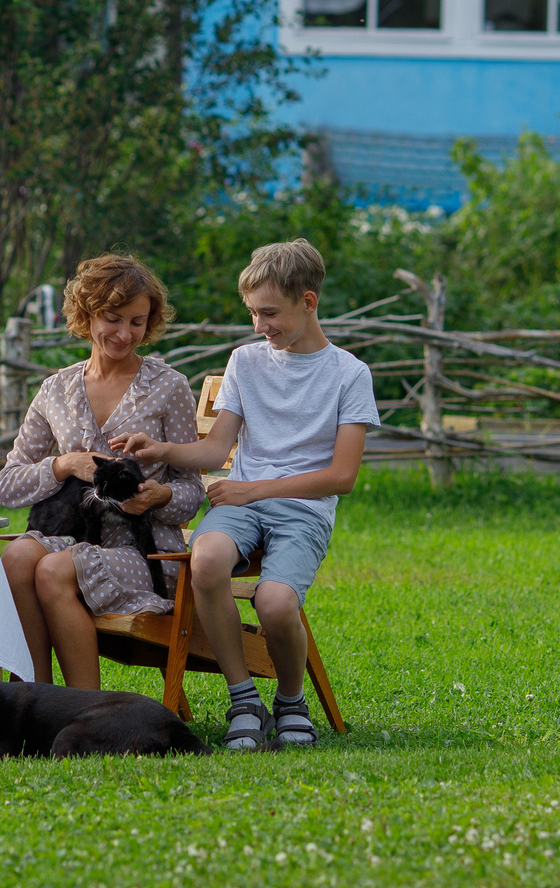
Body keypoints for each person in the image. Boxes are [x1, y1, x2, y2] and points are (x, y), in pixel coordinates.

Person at [113, 239, 375, 752]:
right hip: (240, 505)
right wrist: (160, 448)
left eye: (269, 313)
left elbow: (342, 476)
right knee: (206, 559)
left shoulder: (349, 374)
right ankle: (244, 700)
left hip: (302, 509)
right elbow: (216, 449)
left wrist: (253, 487)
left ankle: (291, 702)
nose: (259, 326)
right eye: (253, 313)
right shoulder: (246, 362)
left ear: (308, 301)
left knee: (275, 603)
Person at [0, 254, 204, 687]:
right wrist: (63, 464)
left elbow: (192, 490)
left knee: (53, 570)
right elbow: (8, 486)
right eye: (113, 319)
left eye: (137, 322)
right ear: (87, 313)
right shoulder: (56, 389)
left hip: (145, 554)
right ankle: (32, 698)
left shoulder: (169, 387)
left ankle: (84, 708)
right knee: (16, 558)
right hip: (70, 535)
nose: (125, 334)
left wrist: (161, 496)